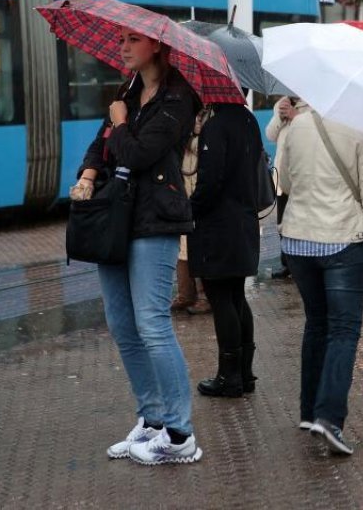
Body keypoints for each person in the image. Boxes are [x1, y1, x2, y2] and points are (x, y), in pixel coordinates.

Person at [71, 28, 202, 465]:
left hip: (154, 220)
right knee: (123, 326)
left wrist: (122, 121)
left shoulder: (178, 98)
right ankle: (152, 420)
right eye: (121, 40)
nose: (122, 47)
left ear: (157, 46)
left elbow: (138, 155)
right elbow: (100, 145)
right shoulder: (125, 91)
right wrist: (88, 176)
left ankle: (181, 434)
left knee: (152, 323)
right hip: (115, 218)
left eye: (132, 40)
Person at [280, 108, 363, 456]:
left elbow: (285, 180)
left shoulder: (296, 125)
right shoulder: (362, 127)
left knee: (317, 323)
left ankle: (309, 411)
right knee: (343, 330)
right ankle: (329, 418)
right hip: (343, 238)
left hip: (297, 239)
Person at [188, 103, 261, 398]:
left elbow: (210, 182)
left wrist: (190, 208)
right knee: (236, 295)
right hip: (243, 219)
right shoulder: (248, 120)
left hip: (218, 225)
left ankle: (228, 377)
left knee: (220, 297)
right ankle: (244, 373)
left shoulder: (216, 127)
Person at [265, 96, 310, 279]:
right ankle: (287, 263)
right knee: (282, 223)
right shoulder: (281, 104)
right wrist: (279, 117)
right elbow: (270, 135)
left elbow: (311, 136)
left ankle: (302, 264)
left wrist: (295, 116)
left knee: (302, 222)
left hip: (302, 177)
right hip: (282, 177)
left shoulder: (311, 106)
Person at [171, 110, 211, 313]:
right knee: (183, 245)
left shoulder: (212, 116)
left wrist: (195, 135)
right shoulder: (186, 110)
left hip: (200, 192)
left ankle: (205, 295)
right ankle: (185, 293)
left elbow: (205, 150)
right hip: (182, 189)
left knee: (199, 244)